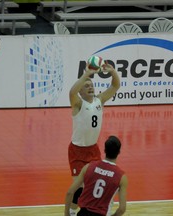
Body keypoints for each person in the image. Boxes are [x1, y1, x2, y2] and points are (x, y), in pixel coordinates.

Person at [68, 61, 120, 215]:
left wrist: (113, 72)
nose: (90, 87)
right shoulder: (77, 103)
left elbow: (115, 86)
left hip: (93, 149)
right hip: (77, 151)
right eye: (86, 86)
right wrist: (86, 75)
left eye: (91, 85)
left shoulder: (99, 100)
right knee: (79, 188)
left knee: (97, 182)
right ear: (81, 91)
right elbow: (71, 92)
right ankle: (71, 212)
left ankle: (104, 209)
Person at [65, 135, 128, 216]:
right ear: (119, 152)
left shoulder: (88, 167)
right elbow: (122, 209)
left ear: (104, 150)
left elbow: (70, 193)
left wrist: (66, 214)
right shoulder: (121, 177)